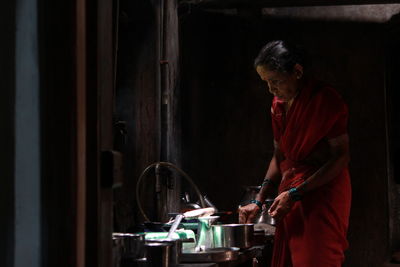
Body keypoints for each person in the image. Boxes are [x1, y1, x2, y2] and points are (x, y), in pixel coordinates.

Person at [238, 40, 351, 267]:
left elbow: (341, 156)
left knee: (317, 259)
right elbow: (279, 154)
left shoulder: (324, 100)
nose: (271, 89)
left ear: (297, 72)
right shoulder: (278, 106)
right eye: (266, 82)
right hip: (290, 195)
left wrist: (297, 193)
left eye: (275, 81)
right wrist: (258, 202)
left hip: (321, 193)